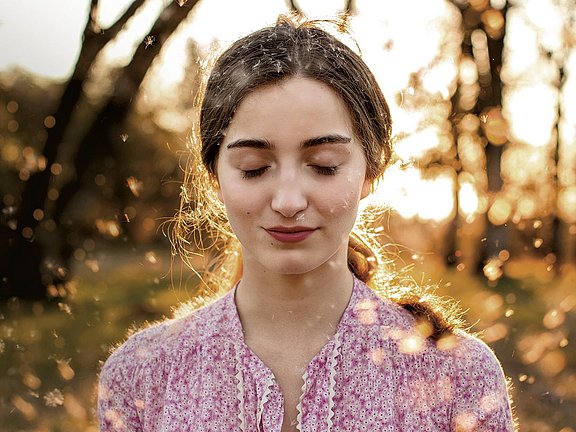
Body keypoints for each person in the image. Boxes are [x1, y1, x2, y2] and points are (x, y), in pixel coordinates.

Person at [98, 14, 515, 431]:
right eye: (254, 168)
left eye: (324, 165)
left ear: (370, 172)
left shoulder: (459, 376)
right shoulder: (141, 377)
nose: (288, 201)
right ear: (215, 178)